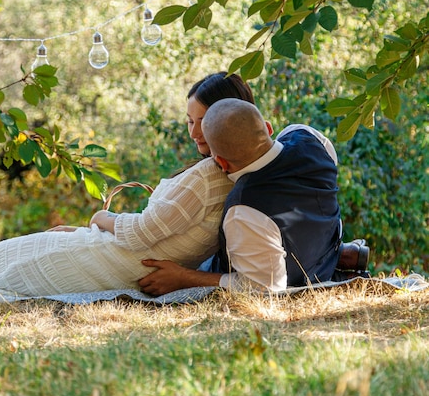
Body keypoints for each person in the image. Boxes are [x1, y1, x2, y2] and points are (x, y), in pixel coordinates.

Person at [0, 73, 263, 296]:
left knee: (12, 264)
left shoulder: (210, 176)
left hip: (123, 258)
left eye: (201, 122)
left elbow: (144, 231)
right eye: (189, 122)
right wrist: (88, 230)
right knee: (15, 252)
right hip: (120, 256)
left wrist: (100, 217)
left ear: (226, 117)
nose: (194, 133)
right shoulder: (223, 172)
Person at [139, 98, 345, 294]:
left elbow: (265, 288)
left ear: (221, 162)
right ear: (268, 127)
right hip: (322, 251)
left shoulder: (245, 209)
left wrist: (184, 278)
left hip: (297, 275)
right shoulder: (308, 137)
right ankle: (344, 254)